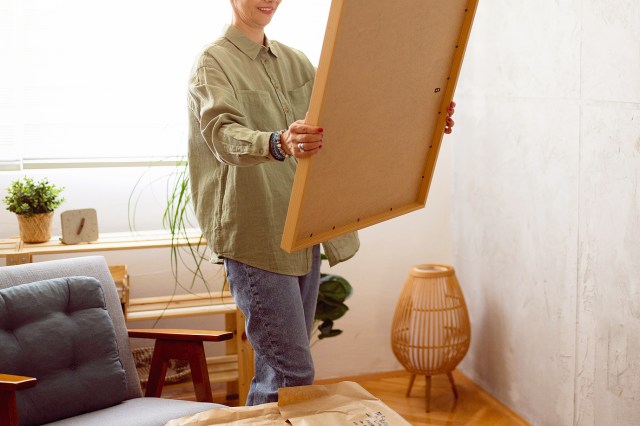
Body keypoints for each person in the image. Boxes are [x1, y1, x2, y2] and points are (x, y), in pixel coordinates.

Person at [187, 0, 455, 405]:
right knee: (290, 371)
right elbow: (223, 135)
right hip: (255, 235)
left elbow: (348, 118)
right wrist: (279, 141)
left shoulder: (297, 62)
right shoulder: (212, 63)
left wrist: (424, 115)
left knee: (281, 371)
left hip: (301, 228)